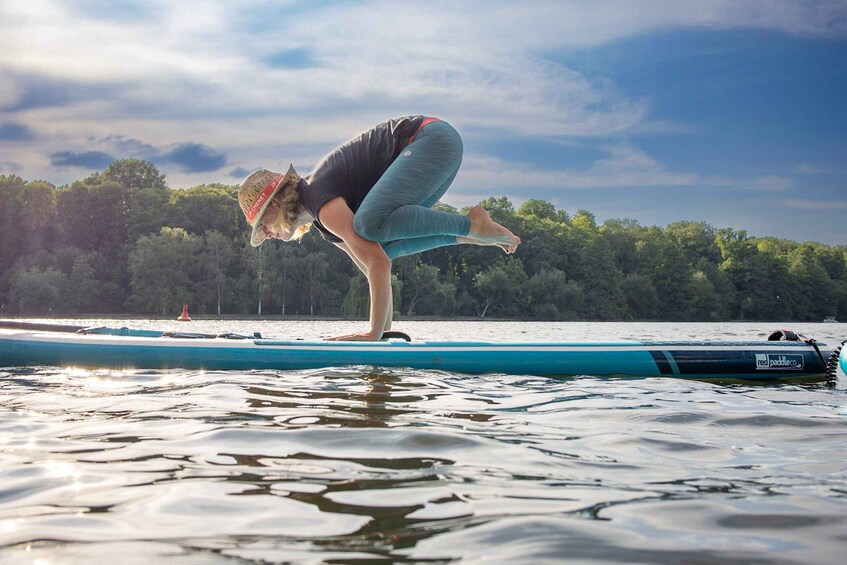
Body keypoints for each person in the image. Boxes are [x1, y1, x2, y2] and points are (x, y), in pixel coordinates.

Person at [237, 115, 520, 341]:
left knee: (368, 226)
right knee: (382, 244)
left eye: (263, 223)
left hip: (432, 140)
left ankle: (472, 225)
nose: (268, 233)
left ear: (275, 205)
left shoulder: (319, 199)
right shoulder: (325, 225)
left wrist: (370, 334)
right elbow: (377, 265)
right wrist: (382, 334)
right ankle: (467, 234)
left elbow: (377, 264)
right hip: (438, 148)